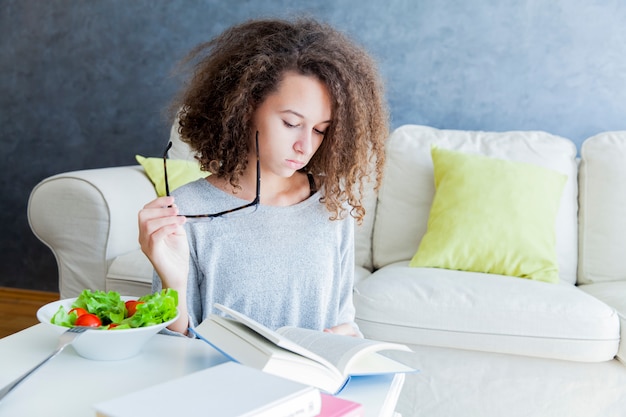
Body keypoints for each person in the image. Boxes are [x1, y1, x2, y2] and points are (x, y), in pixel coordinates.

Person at [138, 17, 388, 337]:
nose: (304, 145)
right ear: (246, 106)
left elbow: (343, 321)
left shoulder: (331, 203)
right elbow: (171, 350)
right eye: (290, 123)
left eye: (320, 130)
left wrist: (346, 339)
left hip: (311, 383)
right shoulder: (186, 210)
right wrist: (172, 281)